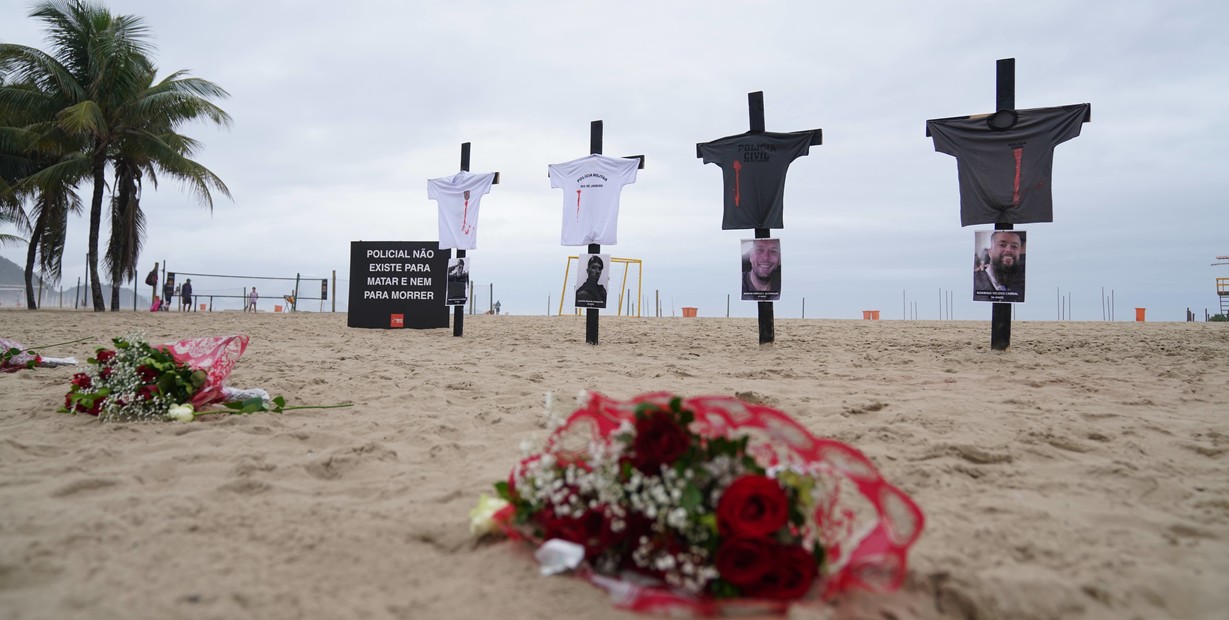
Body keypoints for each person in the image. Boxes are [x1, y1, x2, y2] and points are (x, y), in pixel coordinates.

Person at [973, 230, 1026, 300]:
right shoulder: (974, 282)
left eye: (1014, 246)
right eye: (1002, 245)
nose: (1008, 250)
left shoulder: (1022, 284)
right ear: (990, 252)